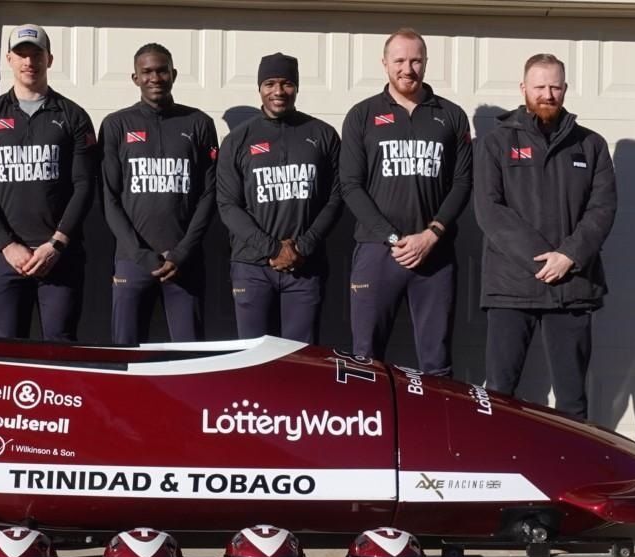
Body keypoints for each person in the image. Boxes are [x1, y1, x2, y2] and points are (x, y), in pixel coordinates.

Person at [474, 54, 617, 418]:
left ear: (565, 89)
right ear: (523, 89)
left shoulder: (591, 146)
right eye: (539, 86)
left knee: (572, 399)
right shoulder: (495, 143)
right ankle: (498, 463)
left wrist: (568, 256)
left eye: (555, 86)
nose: (547, 94)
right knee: (500, 392)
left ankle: (570, 471)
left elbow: (602, 208)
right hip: (510, 286)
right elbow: (490, 210)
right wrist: (542, 258)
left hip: (572, 285)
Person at [341, 28, 472, 375]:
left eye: (416, 60)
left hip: (435, 254)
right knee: (365, 358)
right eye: (399, 60)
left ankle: (436, 429)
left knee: (437, 361)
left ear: (426, 62)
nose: (408, 69)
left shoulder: (452, 115)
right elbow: (350, 185)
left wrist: (431, 234)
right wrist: (392, 238)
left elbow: (461, 183)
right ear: (384, 63)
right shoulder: (362, 115)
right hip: (377, 250)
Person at [0, 24, 96, 341]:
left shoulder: (73, 116)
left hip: (59, 255)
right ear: (9, 59)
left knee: (61, 345)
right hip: (5, 255)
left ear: (49, 59)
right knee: (8, 348)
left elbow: (84, 185)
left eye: (36, 54)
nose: (29, 62)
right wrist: (7, 245)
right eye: (22, 54)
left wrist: (57, 243)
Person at [217, 52, 342, 344]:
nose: (278, 91)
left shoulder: (322, 134)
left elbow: (336, 197)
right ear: (259, 87)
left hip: (305, 267)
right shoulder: (238, 140)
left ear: (296, 87)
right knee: (251, 357)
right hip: (252, 267)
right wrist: (273, 248)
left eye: (286, 83)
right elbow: (228, 205)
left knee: (300, 359)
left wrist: (303, 245)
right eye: (270, 83)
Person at [100, 43, 218, 344]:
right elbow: (110, 197)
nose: (155, 78)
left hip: (185, 261)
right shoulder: (116, 124)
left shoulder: (199, 123)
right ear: (135, 78)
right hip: (132, 260)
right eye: (147, 72)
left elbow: (208, 194)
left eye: (162, 70)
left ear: (174, 74)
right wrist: (141, 255)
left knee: (189, 358)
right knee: (125, 354)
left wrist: (182, 251)